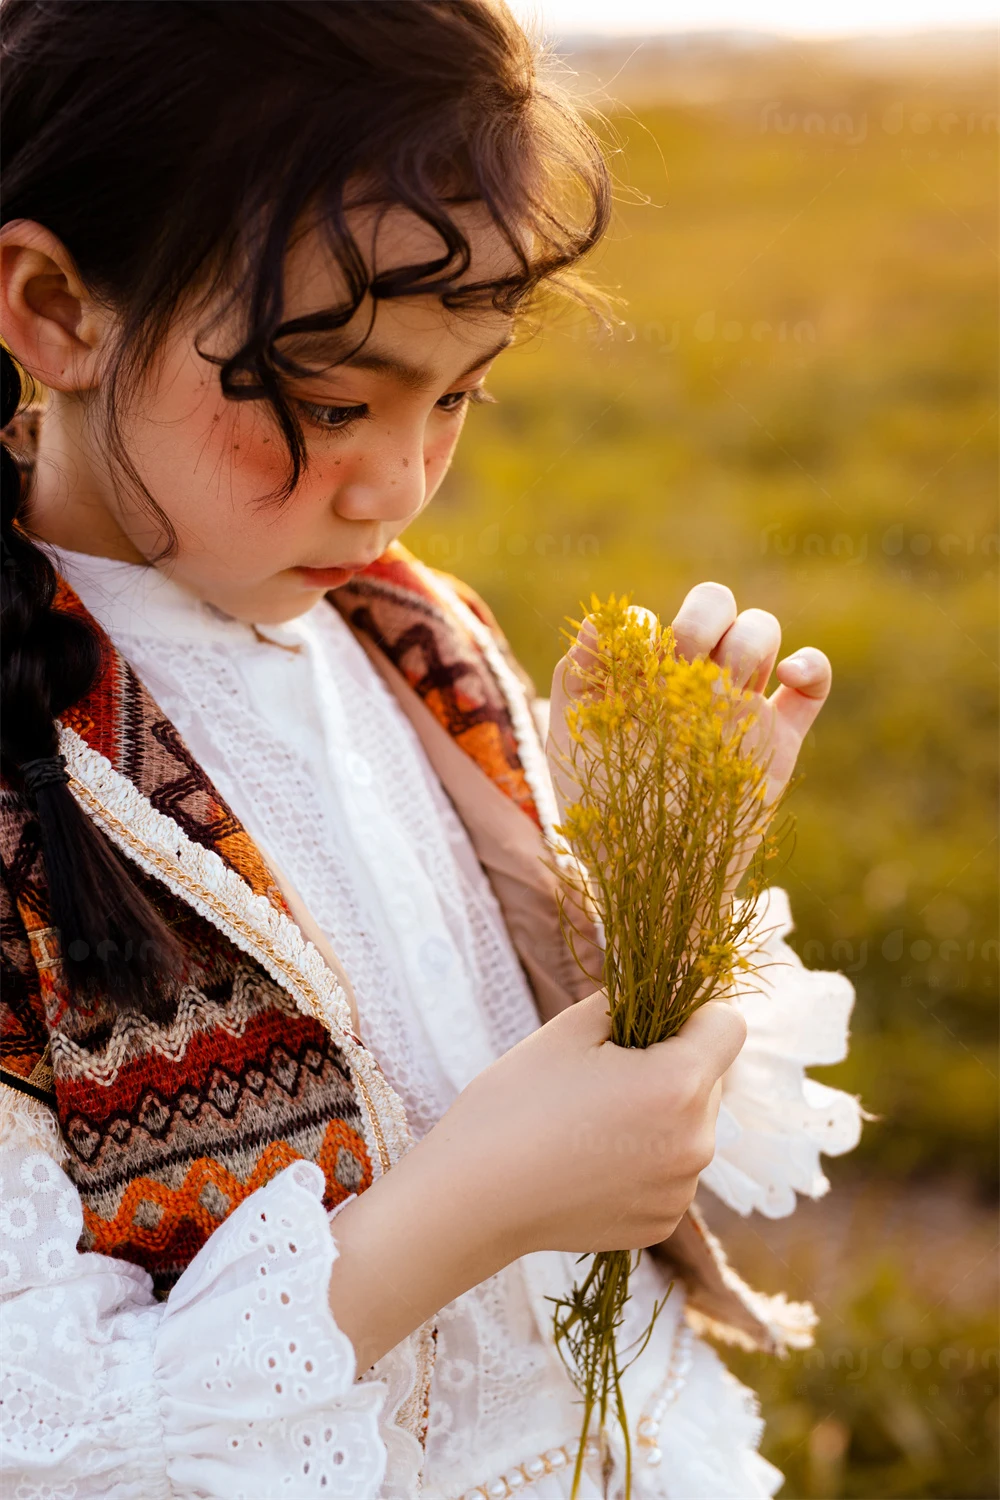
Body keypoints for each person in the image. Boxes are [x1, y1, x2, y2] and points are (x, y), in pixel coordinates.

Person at [0, 3, 863, 1495]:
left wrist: (637, 874)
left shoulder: (419, 643)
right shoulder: (35, 783)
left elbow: (549, 1082)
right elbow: (50, 1436)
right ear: (56, 308)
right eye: (334, 401)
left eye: (456, 394)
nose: (396, 486)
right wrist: (470, 1207)